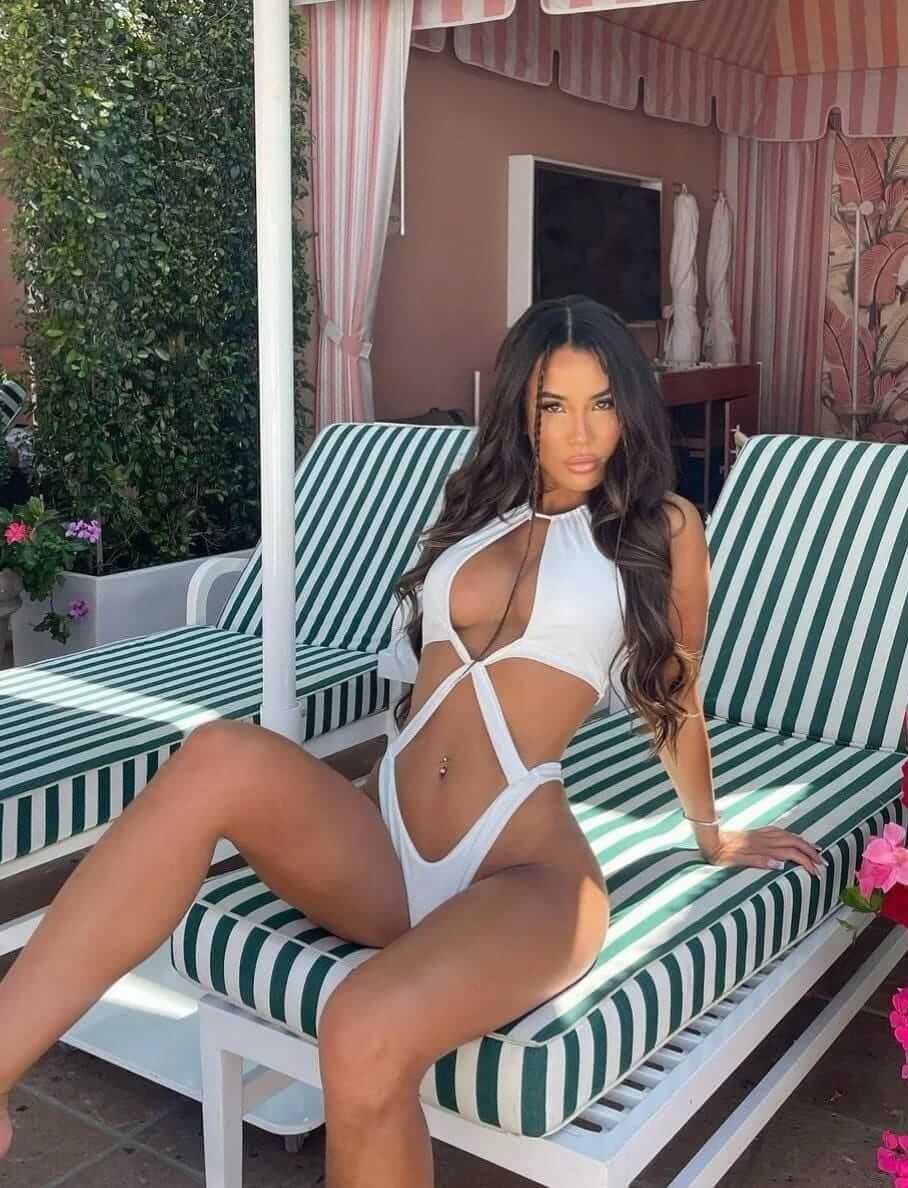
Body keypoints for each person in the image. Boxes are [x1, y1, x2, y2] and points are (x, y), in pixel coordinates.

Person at [0, 295, 822, 1187]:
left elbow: (674, 697)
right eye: (553, 405)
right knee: (217, 754)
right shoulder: (474, 508)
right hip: (384, 843)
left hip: (525, 870)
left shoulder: (664, 530)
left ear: (630, 406)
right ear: (520, 409)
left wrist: (711, 833)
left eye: (602, 403)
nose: (582, 433)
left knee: (360, 1027)